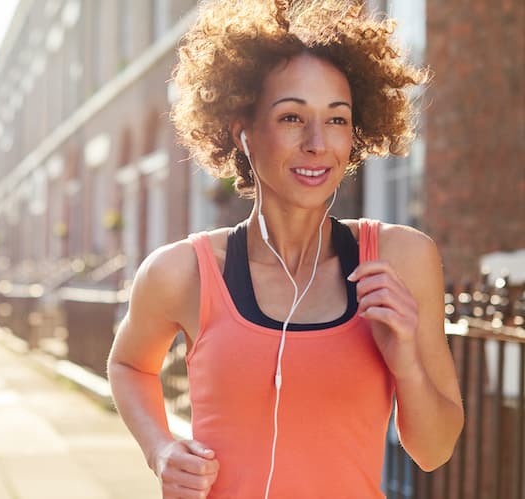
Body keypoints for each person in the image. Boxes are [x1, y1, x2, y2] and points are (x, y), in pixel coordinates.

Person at [106, 1, 464, 497]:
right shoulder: (182, 272)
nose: (318, 143)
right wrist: (161, 448)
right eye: (292, 117)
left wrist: (406, 359)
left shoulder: (400, 260)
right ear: (243, 131)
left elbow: (434, 450)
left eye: (337, 120)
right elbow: (128, 365)